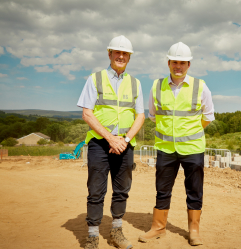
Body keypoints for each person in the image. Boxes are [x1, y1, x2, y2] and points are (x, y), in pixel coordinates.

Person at [139, 42, 214, 246]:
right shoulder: (157, 86)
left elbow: (208, 116)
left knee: (194, 190)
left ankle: (194, 231)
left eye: (182, 63)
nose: (178, 66)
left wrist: (189, 133)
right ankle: (158, 228)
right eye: (174, 62)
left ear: (188, 64)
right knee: (162, 190)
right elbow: (153, 116)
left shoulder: (200, 86)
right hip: (165, 149)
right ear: (168, 63)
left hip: (192, 149)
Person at [77, 35, 145, 249]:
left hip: (125, 144)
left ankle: (116, 231)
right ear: (109, 54)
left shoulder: (135, 83)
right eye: (117, 52)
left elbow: (140, 116)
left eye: (125, 53)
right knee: (96, 190)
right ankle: (93, 236)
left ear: (129, 57)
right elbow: (87, 114)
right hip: (100, 143)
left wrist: (124, 140)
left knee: (122, 189)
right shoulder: (95, 79)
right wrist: (110, 139)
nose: (121, 56)